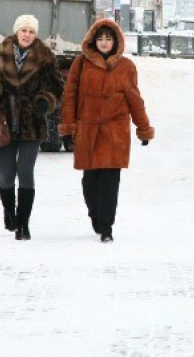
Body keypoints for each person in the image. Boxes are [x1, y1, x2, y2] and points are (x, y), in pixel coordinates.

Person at [58, 19, 154, 243]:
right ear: (93, 40)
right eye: (100, 38)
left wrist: (143, 128)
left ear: (116, 41)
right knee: (90, 181)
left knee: (110, 181)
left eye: (108, 38)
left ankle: (107, 227)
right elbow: (69, 96)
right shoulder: (81, 63)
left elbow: (135, 100)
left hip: (114, 132)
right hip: (87, 129)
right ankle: (95, 215)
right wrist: (68, 127)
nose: (104, 42)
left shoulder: (126, 66)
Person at [0, 15, 64, 240]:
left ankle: (23, 225)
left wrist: (46, 101)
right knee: (6, 176)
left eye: (31, 31)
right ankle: (9, 211)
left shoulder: (46, 57)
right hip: (4, 122)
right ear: (16, 31)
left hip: (32, 122)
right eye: (24, 30)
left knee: (25, 172)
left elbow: (58, 88)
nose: (27, 35)